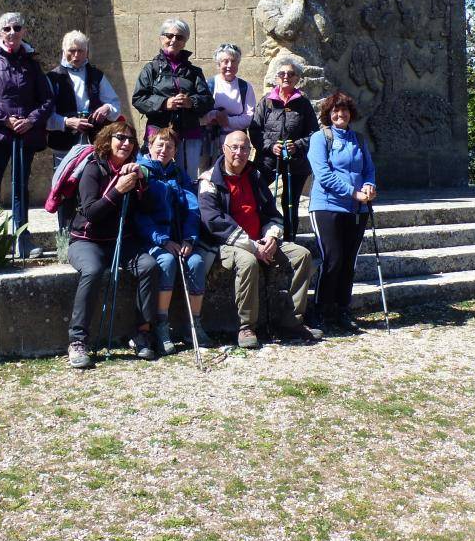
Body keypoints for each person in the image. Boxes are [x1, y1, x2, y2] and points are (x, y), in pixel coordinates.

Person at [198, 130, 321, 350]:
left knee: (302, 256)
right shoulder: (209, 180)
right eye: (234, 147)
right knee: (248, 262)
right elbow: (214, 221)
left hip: (260, 239)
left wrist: (271, 236)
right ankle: (246, 326)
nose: (240, 152)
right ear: (223, 149)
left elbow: (271, 212)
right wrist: (254, 247)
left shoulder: (254, 176)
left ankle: (292, 320)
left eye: (245, 148)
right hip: (226, 244)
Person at [66, 121, 162, 369]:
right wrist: (117, 190)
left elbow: (149, 208)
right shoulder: (93, 169)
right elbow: (91, 212)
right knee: (93, 270)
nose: (126, 143)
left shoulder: (133, 170)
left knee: (149, 265)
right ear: (108, 141)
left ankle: (141, 332)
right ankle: (78, 340)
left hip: (122, 241)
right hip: (87, 241)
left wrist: (141, 183)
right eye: (121, 138)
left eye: (131, 140)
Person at [0, 12, 54, 258]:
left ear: (23, 32)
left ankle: (23, 238)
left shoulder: (31, 63)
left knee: (21, 188)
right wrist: (6, 120)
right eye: (7, 28)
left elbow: (47, 100)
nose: (12, 33)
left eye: (17, 28)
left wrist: (30, 121)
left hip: (24, 137)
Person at [136, 128, 212, 355]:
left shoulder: (180, 174)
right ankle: (161, 325)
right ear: (149, 146)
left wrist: (190, 238)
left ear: (175, 151)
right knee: (167, 262)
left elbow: (192, 208)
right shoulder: (142, 172)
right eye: (159, 144)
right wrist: (162, 240)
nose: (164, 150)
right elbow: (139, 215)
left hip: (180, 238)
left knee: (196, 262)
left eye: (169, 146)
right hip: (153, 239)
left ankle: (194, 325)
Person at [307, 91, 377, 332]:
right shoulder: (320, 138)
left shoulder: (358, 139)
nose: (340, 114)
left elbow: (368, 169)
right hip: (326, 206)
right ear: (328, 114)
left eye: (344, 110)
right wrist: (353, 192)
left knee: (349, 261)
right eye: (335, 111)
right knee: (333, 259)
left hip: (356, 208)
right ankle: (320, 310)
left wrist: (369, 186)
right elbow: (323, 175)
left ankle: (342, 309)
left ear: (350, 113)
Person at [46, 30, 123, 230]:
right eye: (72, 51)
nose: (77, 55)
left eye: (81, 51)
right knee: (64, 186)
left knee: (91, 186)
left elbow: (115, 104)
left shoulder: (96, 75)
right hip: (64, 143)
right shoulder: (53, 77)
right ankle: (64, 235)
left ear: (87, 52)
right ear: (63, 51)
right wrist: (67, 122)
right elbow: (45, 116)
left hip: (94, 140)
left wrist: (107, 108)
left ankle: (87, 232)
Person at [131, 18, 214, 176]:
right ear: (161, 38)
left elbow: (208, 101)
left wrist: (191, 102)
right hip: (159, 132)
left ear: (184, 42)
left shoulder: (194, 72)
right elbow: (139, 99)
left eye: (180, 37)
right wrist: (164, 103)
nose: (174, 40)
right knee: (155, 175)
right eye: (169, 35)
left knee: (187, 177)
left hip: (189, 133)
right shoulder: (151, 69)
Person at [248, 55, 318, 241]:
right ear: (276, 77)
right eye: (282, 73)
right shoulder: (266, 102)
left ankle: (290, 239)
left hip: (296, 162)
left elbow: (313, 133)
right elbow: (255, 130)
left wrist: (297, 146)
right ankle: (261, 234)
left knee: (290, 203)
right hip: (268, 160)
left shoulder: (303, 103)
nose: (286, 76)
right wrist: (271, 147)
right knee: (258, 195)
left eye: (291, 74)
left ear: (297, 78)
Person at [202, 43, 256, 165]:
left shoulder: (246, 87)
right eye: (225, 61)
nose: (229, 65)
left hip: (236, 145)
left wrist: (226, 121)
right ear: (218, 64)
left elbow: (248, 117)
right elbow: (202, 113)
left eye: (234, 61)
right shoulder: (208, 84)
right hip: (210, 143)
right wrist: (214, 115)